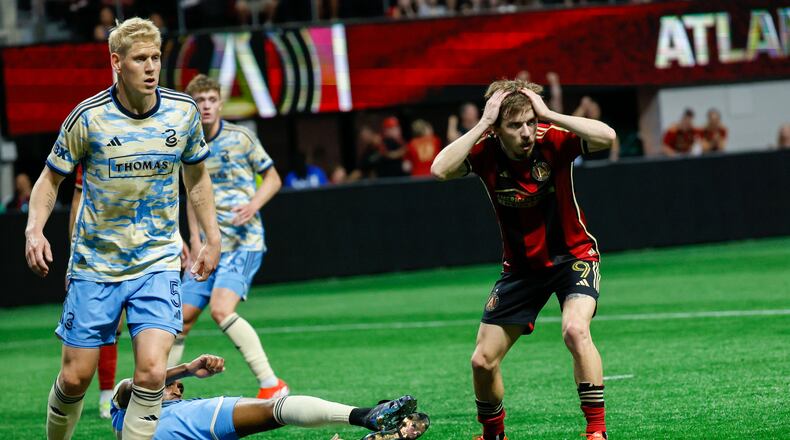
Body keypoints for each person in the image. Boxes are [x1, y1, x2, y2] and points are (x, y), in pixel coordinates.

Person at [25, 17, 221, 440]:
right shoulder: (88, 118)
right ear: (117, 62)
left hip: (158, 259)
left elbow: (198, 178)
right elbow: (49, 180)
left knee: (152, 371)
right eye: (139, 59)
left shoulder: (182, 113)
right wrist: (34, 230)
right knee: (76, 377)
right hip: (96, 264)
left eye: (155, 57)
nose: (150, 67)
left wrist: (211, 236)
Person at [431, 78, 616, 440]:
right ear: (498, 128)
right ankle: (493, 434)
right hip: (521, 270)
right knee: (481, 362)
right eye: (515, 125)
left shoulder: (554, 138)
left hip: (573, 257)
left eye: (531, 122)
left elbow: (607, 136)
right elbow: (439, 169)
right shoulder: (485, 149)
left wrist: (549, 113)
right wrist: (482, 124)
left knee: (575, 330)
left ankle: (596, 431)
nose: (528, 132)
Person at [170, 74, 288, 400]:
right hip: (208, 245)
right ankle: (161, 389)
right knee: (180, 320)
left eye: (211, 100)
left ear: (220, 103)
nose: (206, 106)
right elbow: (194, 194)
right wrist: (194, 239)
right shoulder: (188, 143)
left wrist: (253, 204)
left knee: (221, 310)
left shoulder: (241, 138)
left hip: (243, 242)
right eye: (199, 101)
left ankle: (271, 384)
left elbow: (273, 178)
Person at [112, 354, 430, 440]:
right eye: (173, 385)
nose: (177, 387)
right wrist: (185, 369)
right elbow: (133, 384)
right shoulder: (130, 407)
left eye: (178, 386)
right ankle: (365, 416)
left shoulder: (130, 416)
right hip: (181, 423)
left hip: (189, 423)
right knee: (275, 409)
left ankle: (367, 417)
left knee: (275, 410)